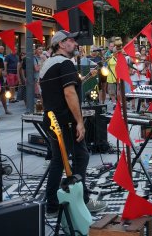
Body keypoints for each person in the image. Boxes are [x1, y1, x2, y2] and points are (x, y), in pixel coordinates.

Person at [40, 30, 106, 217]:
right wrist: (79, 122)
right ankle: (74, 201)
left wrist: (83, 78)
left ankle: (59, 203)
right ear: (61, 44)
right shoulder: (65, 63)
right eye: (71, 41)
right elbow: (69, 93)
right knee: (75, 158)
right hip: (65, 121)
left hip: (52, 119)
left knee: (63, 159)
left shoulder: (48, 63)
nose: (75, 44)